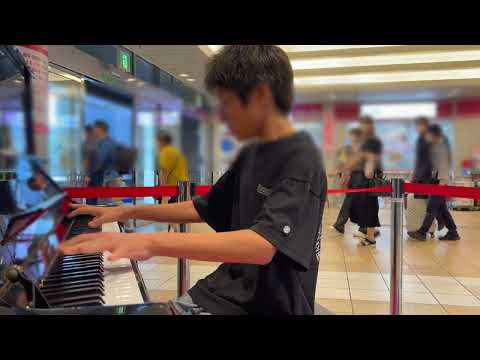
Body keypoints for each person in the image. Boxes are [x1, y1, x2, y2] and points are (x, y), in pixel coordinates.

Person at [60, 45, 327, 315]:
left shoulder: (301, 159)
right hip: (223, 292)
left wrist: (149, 242)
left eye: (227, 103)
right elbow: (200, 207)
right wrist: (124, 210)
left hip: (267, 307)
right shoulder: (252, 154)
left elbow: (262, 246)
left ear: (260, 96)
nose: (222, 115)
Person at [408, 124, 460, 241]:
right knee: (442, 209)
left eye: (428, 135)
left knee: (431, 208)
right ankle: (453, 232)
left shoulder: (441, 147)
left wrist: (441, 185)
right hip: (438, 182)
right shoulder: (437, 146)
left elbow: (444, 167)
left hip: (441, 182)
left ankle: (422, 232)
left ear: (434, 135)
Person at [411, 117, 445, 233]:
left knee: (432, 202)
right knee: (428, 200)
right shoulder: (420, 139)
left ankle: (428, 228)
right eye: (417, 126)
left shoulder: (431, 138)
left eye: (420, 125)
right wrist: (414, 174)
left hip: (430, 174)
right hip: (421, 174)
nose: (418, 128)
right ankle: (441, 220)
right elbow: (418, 159)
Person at [156, 130, 189, 232]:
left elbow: (164, 171)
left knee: (167, 212)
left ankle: (177, 230)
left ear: (161, 141)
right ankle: (178, 231)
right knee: (178, 211)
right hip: (184, 184)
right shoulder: (176, 152)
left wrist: (162, 189)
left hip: (172, 186)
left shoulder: (164, 152)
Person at [332, 127, 363, 234]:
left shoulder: (359, 148)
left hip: (359, 176)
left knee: (355, 201)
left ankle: (362, 226)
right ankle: (340, 223)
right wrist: (344, 175)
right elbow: (346, 163)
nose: (352, 138)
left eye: (353, 136)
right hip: (356, 176)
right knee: (351, 200)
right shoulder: (352, 148)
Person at [86, 120, 118, 205]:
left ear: (99, 129)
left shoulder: (105, 143)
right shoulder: (106, 142)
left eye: (95, 129)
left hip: (102, 178)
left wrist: (88, 175)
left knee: (99, 204)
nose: (93, 131)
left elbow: (99, 162)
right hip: (103, 177)